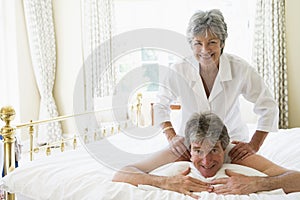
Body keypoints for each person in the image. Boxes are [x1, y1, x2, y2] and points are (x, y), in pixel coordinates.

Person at [154, 9, 278, 162]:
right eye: (198, 43)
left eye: (212, 42)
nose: (204, 50)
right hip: (190, 147)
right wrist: (171, 136)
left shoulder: (240, 69)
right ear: (191, 45)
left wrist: (254, 144)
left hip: (231, 145)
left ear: (222, 43)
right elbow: (160, 105)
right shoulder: (179, 70)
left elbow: (268, 107)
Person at [113, 112, 300, 199]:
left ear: (224, 146)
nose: (206, 161)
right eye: (198, 151)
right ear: (189, 147)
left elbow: (296, 179)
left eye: (214, 150)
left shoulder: (234, 152)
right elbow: (121, 174)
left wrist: (257, 183)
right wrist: (165, 182)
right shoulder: (181, 152)